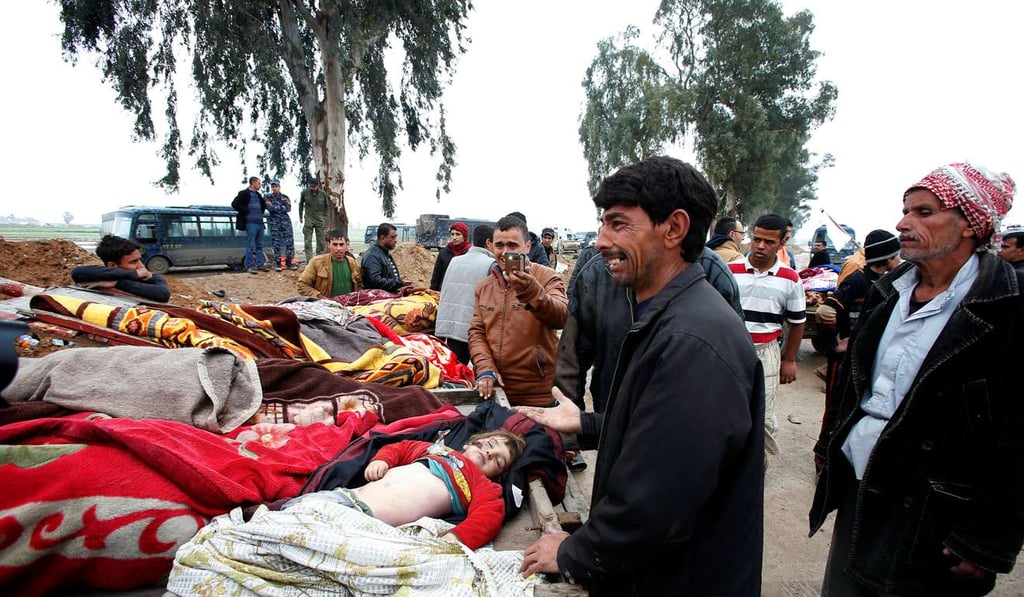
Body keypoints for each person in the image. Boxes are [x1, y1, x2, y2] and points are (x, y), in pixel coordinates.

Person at [517, 156, 764, 595]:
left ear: (674, 228)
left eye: (618, 224)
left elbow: (655, 505)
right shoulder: (666, 316)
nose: (600, 242)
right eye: (603, 224)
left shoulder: (692, 340)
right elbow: (662, 434)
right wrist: (588, 423)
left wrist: (575, 552)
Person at [810, 162, 1022, 596]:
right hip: (863, 485)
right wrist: (827, 447)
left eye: (924, 212)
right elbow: (856, 386)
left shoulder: (1007, 304)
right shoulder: (889, 290)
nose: (902, 224)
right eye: (906, 211)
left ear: (970, 224)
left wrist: (984, 542)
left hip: (935, 512)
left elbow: (1016, 433)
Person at [555, 242, 744, 413]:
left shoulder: (711, 269)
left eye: (619, 223)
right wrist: (573, 428)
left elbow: (735, 366)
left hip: (690, 420)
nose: (602, 240)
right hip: (610, 416)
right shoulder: (597, 273)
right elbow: (571, 362)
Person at [283, 430, 525, 550]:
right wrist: (382, 460)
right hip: (348, 497)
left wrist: (456, 538)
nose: (490, 453)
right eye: (490, 444)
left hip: (372, 524)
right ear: (470, 443)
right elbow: (402, 447)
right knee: (294, 509)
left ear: (497, 474)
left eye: (498, 460)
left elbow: (489, 517)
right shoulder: (437, 450)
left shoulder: (482, 485)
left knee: (311, 539)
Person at [468, 215, 567, 407]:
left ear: (527, 247)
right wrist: (484, 366)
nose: (505, 252)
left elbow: (562, 316)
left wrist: (531, 290)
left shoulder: (546, 278)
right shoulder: (484, 287)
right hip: (496, 390)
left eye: (512, 245)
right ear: (491, 246)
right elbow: (477, 332)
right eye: (499, 245)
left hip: (537, 393)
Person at [728, 213, 806, 455]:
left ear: (782, 243)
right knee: (726, 407)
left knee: (763, 413)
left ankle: (758, 466)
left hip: (766, 352)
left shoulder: (790, 278)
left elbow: (797, 323)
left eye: (769, 242)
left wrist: (789, 360)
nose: (761, 246)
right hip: (731, 349)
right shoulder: (730, 271)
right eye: (757, 239)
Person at [815, 229, 901, 401]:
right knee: (837, 404)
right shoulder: (858, 280)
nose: (899, 260)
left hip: (864, 355)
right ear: (887, 257)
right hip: (845, 358)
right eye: (896, 255)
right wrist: (834, 344)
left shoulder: (883, 281)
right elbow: (825, 311)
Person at [435, 224, 494, 365]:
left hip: (452, 327)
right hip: (475, 330)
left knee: (455, 369)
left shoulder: (455, 261)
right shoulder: (491, 264)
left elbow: (445, 291)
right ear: (488, 242)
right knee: (479, 369)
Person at [70, 234, 171, 302]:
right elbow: (77, 272)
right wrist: (133, 274)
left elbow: (163, 293)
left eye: (140, 260)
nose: (141, 266)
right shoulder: (101, 274)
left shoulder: (145, 277)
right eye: (133, 262)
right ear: (112, 266)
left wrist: (118, 283)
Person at [296, 230, 362, 299]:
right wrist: (321, 298)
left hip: (349, 303)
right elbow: (302, 285)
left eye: (341, 244)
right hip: (326, 305)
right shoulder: (316, 262)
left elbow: (359, 285)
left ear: (346, 245)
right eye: (335, 244)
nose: (338, 248)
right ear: (328, 245)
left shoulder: (353, 263)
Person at [231, 176, 270, 274]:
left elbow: (263, 206)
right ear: (253, 183)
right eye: (258, 183)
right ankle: (250, 266)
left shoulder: (258, 195)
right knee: (250, 245)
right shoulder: (244, 193)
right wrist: (245, 210)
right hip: (250, 223)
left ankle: (260, 264)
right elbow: (234, 204)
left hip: (260, 223)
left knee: (260, 245)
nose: (259, 185)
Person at [360, 223, 406, 292]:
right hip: (378, 297)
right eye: (392, 237)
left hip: (388, 296)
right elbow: (375, 281)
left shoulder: (384, 253)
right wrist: (398, 282)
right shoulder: (372, 256)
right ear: (383, 238)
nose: (395, 240)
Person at [265, 179, 297, 271]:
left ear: (279, 187)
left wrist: (276, 207)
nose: (275, 188)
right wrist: (281, 207)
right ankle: (278, 262)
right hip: (275, 223)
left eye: (276, 186)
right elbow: (270, 208)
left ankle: (289, 262)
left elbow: (288, 208)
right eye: (273, 186)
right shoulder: (268, 197)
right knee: (276, 243)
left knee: (289, 242)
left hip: (286, 222)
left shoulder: (285, 197)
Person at [428, 221, 470, 291]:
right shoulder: (443, 253)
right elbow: (436, 277)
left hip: (462, 292)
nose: (454, 237)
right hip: (444, 291)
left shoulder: (469, 253)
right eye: (452, 234)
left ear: (464, 236)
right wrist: (433, 292)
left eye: (458, 234)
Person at [298, 178, 329, 262]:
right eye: (311, 186)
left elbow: (327, 207)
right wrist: (300, 216)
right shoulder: (304, 193)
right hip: (309, 218)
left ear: (318, 186)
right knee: (307, 241)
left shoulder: (323, 194)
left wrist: (324, 217)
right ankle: (309, 261)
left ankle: (319, 261)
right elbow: (301, 205)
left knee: (321, 242)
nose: (312, 188)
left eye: (314, 187)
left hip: (320, 219)